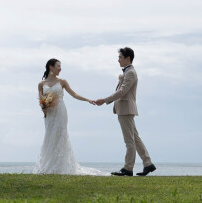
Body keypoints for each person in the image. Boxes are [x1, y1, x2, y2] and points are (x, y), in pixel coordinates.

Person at [94, 47, 156, 176]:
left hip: (126, 110)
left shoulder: (130, 73)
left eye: (120, 57)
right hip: (125, 109)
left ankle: (128, 168)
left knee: (129, 141)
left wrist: (104, 100)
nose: (118, 60)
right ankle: (148, 164)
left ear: (128, 58)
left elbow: (122, 91)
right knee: (135, 139)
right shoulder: (128, 72)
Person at [35, 58, 103, 175]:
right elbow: (41, 99)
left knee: (60, 135)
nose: (60, 69)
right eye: (58, 66)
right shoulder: (41, 84)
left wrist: (88, 100)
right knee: (50, 136)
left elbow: (74, 94)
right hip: (49, 114)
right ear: (51, 67)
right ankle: (48, 164)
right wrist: (43, 108)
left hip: (60, 111)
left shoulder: (62, 82)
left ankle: (60, 166)